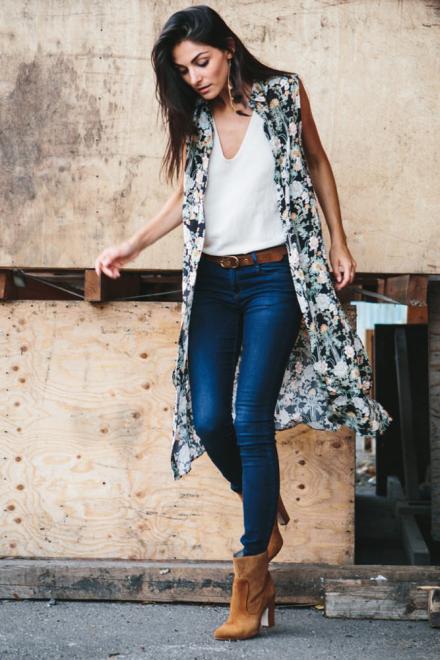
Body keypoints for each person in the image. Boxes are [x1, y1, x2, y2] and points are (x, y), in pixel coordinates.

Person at [95, 5, 392, 642]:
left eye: (201, 61)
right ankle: (262, 502)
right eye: (184, 70)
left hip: (273, 280)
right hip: (212, 283)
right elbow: (186, 198)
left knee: (249, 417)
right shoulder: (197, 119)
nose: (195, 77)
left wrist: (339, 242)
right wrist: (130, 245)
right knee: (209, 419)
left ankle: (252, 577)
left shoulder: (283, 94)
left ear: (228, 47)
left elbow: (318, 163)